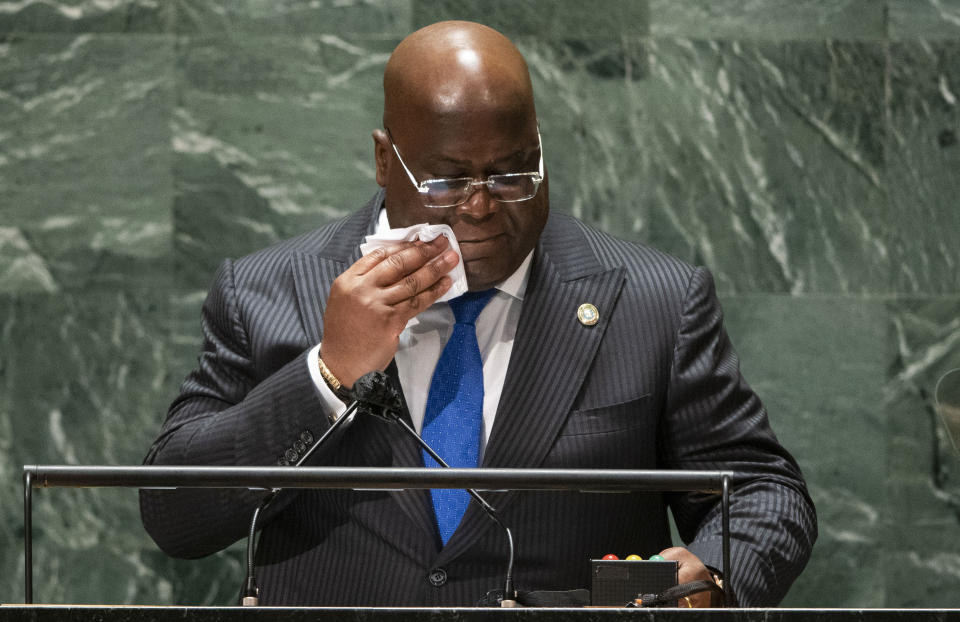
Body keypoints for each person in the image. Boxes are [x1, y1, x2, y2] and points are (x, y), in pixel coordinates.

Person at [140, 20, 816, 608]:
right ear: (384, 159)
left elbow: (765, 492)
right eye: (447, 179)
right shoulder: (267, 291)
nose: (482, 207)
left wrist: (717, 570)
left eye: (514, 173)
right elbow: (175, 515)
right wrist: (328, 372)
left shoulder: (655, 302)